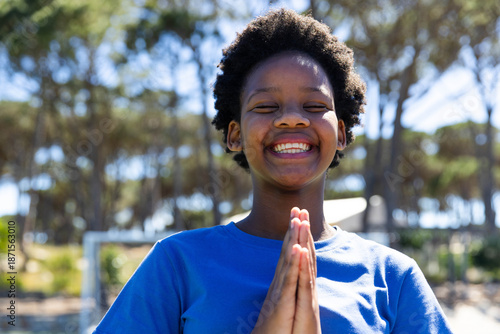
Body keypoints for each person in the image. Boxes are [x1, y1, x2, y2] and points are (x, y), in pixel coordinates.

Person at [93, 8, 453, 334]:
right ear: (235, 134)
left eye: (314, 105)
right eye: (266, 106)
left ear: (341, 133)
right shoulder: (175, 265)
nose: (292, 117)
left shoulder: (394, 278)